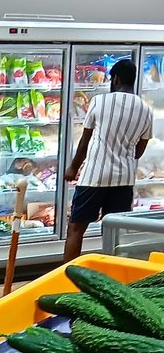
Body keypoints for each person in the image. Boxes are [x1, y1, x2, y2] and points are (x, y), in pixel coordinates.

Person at [64, 58, 153, 262]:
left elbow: (85, 141)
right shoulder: (145, 109)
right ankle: (112, 273)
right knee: (115, 233)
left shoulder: (99, 101)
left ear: (115, 79)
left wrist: (73, 167)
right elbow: (139, 151)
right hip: (124, 179)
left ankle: (65, 277)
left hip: (94, 176)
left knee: (76, 228)